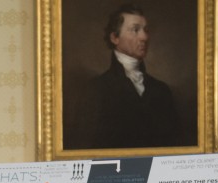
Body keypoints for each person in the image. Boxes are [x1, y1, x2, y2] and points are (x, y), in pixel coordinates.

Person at [73, 3, 183, 149]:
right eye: (135, 30)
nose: (144, 37)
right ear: (114, 38)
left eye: (146, 30)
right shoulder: (95, 90)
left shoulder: (162, 90)